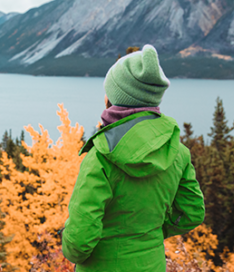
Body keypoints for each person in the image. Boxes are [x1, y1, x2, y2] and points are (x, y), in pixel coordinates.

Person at [61, 44, 205, 271]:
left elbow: (78, 243)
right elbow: (192, 212)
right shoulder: (177, 152)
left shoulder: (101, 157)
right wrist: (151, 233)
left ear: (115, 99)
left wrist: (67, 244)